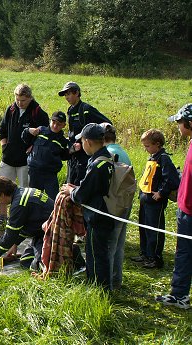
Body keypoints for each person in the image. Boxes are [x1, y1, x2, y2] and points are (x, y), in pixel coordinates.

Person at [61, 123, 115, 290]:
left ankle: (99, 288)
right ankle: (100, 284)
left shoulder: (98, 165)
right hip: (103, 212)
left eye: (82, 141)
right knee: (99, 252)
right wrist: (76, 188)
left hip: (98, 216)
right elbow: (92, 188)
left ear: (88, 142)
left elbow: (81, 195)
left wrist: (71, 191)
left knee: (95, 254)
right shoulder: (105, 157)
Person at [0, 83, 49, 226]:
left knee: (25, 191)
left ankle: (23, 219)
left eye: (23, 100)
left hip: (26, 161)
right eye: (17, 99)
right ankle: (2, 217)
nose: (19, 103)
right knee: (2, 188)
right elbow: (2, 130)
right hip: (8, 158)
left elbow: (45, 135)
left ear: (30, 98)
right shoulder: (11, 109)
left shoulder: (38, 113)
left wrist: (33, 147)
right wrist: (4, 146)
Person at [156, 103, 192, 309]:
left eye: (179, 122)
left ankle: (180, 295)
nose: (177, 126)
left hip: (190, 212)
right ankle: (179, 294)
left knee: (185, 252)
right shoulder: (191, 143)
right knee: (183, 252)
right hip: (184, 207)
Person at [133, 129, 180, 269]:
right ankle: (145, 253)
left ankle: (155, 257)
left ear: (157, 144)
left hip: (155, 202)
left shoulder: (163, 158)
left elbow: (171, 179)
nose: (145, 149)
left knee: (155, 229)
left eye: (147, 146)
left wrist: (161, 192)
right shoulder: (152, 157)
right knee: (144, 227)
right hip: (145, 199)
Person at [0, 176, 54, 269]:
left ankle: (72, 252)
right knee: (25, 261)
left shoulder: (19, 204)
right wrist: (15, 243)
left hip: (50, 233)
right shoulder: (22, 192)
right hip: (41, 231)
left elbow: (11, 234)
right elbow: (27, 225)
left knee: (38, 265)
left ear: (2, 195)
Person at [58, 81, 111, 186]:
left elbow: (107, 124)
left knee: (80, 186)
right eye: (65, 95)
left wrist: (91, 140)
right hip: (73, 155)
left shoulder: (86, 109)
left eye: (68, 94)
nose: (66, 97)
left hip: (85, 155)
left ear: (77, 93)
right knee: (70, 184)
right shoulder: (70, 110)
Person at [101, 122, 132, 289]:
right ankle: (117, 279)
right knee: (119, 244)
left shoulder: (109, 154)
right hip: (126, 202)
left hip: (115, 205)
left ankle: (109, 284)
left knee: (109, 245)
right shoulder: (122, 151)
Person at [21, 110, 70, 200]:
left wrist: (72, 150)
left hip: (50, 174)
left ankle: (49, 214)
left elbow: (64, 156)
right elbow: (25, 138)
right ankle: (35, 213)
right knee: (33, 198)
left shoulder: (63, 141)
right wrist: (28, 130)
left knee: (52, 199)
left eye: (59, 124)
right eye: (53, 122)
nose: (55, 126)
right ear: (50, 120)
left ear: (64, 125)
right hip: (34, 172)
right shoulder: (40, 130)